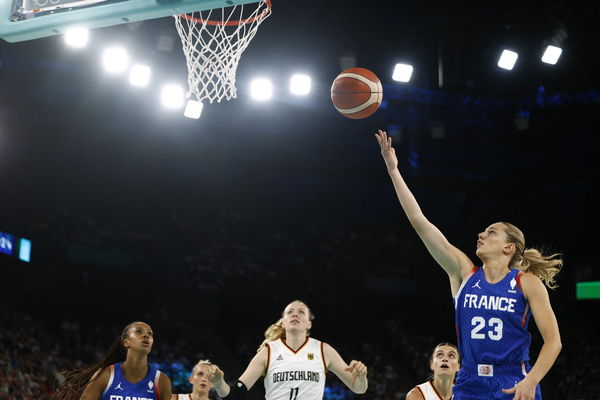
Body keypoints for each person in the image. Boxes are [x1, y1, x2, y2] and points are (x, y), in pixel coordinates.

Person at [374, 130, 562, 400]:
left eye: (491, 232)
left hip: (512, 381)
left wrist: (531, 380)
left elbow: (553, 341)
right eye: (483, 231)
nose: (481, 235)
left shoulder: (526, 282)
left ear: (509, 248)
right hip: (469, 381)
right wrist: (394, 171)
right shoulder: (463, 273)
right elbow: (420, 223)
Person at [209, 300, 368, 400]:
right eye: (290, 312)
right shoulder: (268, 351)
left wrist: (361, 377)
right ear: (283, 322)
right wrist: (218, 383)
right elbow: (234, 394)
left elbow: (359, 388)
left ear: (308, 324)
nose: (295, 314)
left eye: (301, 312)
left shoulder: (323, 350)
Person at [55, 321, 172, 400]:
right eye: (139, 331)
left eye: (150, 334)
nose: (146, 336)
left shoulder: (162, 381)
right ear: (126, 341)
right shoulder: (105, 376)